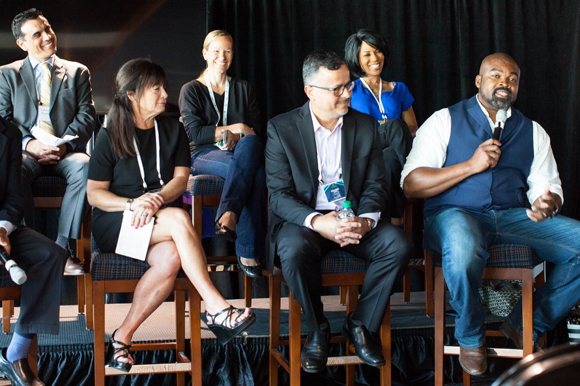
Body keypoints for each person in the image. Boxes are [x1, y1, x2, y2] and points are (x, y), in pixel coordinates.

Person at [401, 53, 580, 376]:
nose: (505, 83)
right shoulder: (445, 120)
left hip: (512, 216)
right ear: (479, 82)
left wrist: (547, 203)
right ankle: (471, 335)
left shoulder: (532, 130)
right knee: (462, 242)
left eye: (512, 78)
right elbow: (412, 184)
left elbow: (547, 186)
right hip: (452, 214)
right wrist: (471, 165)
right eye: (496, 75)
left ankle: (527, 325)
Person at [87, 58, 255, 372]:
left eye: (164, 87)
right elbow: (95, 194)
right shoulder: (110, 134)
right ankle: (216, 308)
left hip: (157, 215)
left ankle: (121, 337)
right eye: (156, 88)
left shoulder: (172, 128)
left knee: (170, 259)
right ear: (133, 94)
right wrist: (133, 204)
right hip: (118, 220)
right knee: (179, 219)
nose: (165, 93)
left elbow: (180, 180)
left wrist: (156, 199)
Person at [265, 50, 412, 373]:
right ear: (310, 92)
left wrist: (366, 220)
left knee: (398, 244)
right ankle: (317, 327)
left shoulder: (365, 125)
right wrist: (318, 222)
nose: (348, 94)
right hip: (306, 219)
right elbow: (279, 196)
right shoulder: (282, 128)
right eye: (338, 89)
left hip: (354, 217)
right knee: (291, 249)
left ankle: (360, 324)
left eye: (349, 85)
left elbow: (376, 184)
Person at [0, 8, 95, 275]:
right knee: (14, 169)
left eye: (48, 29)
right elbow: (4, 121)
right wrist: (29, 144)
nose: (47, 37)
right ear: (22, 43)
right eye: (37, 34)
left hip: (67, 152)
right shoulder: (7, 74)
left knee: (86, 167)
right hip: (26, 152)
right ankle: (32, 249)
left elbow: (87, 117)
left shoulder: (77, 72)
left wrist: (63, 146)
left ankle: (61, 250)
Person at [179, 30, 266, 278]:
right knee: (256, 175)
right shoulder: (191, 90)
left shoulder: (243, 89)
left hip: (240, 152)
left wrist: (237, 137)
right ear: (205, 53)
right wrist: (236, 128)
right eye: (216, 50)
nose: (222, 56)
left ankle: (228, 214)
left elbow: (256, 133)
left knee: (250, 145)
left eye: (227, 50)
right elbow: (196, 135)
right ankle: (248, 251)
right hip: (203, 157)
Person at [0, 116, 67, 386]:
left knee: (51, 254)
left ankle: (15, 355)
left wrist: (3, 229)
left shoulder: (9, 133)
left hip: (2, 229)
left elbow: (15, 197)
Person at [344, 29, 416, 226]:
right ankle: (414, 177)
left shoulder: (399, 89)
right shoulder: (350, 89)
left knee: (391, 157)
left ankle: (395, 224)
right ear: (356, 59)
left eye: (378, 52)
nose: (375, 58)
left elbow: (412, 127)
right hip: (364, 149)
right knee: (393, 126)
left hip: (391, 153)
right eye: (367, 54)